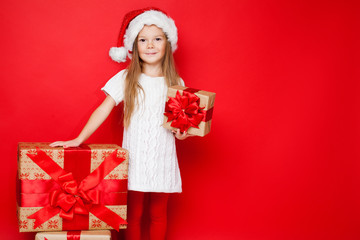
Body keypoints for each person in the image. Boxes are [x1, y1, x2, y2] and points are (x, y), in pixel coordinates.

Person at [50, 7, 191, 240]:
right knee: (132, 214)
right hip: (134, 158)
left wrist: (182, 133)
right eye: (143, 40)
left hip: (163, 159)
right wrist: (78, 139)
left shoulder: (176, 82)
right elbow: (104, 108)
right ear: (134, 47)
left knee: (158, 213)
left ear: (168, 43)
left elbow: (180, 124)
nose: (150, 45)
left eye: (157, 39)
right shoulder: (127, 77)